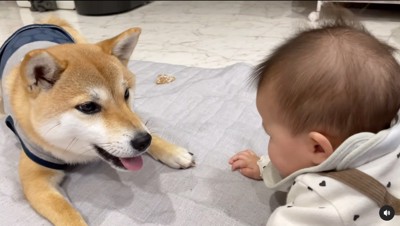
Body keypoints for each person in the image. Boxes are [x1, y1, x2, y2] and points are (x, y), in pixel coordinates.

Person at [229, 4, 400, 226]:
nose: (268, 140)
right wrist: (266, 167)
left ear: (318, 148)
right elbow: (302, 160)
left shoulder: (325, 204)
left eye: (271, 135)